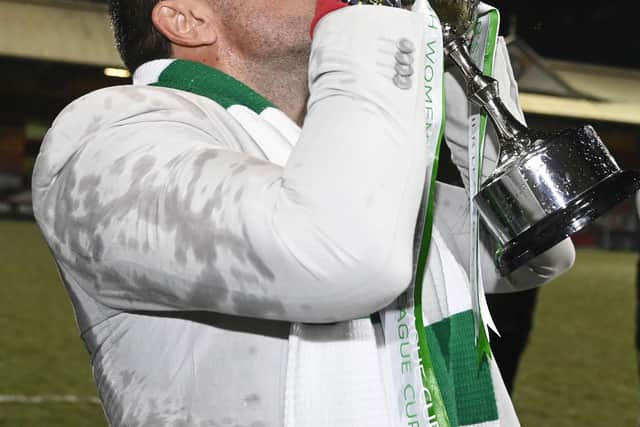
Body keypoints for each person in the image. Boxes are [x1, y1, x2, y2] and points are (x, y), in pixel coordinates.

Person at [32, 0, 575, 425]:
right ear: (187, 19)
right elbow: (343, 257)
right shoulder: (105, 136)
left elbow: (533, 249)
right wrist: (378, 26)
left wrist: (458, 67)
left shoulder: (325, 166)